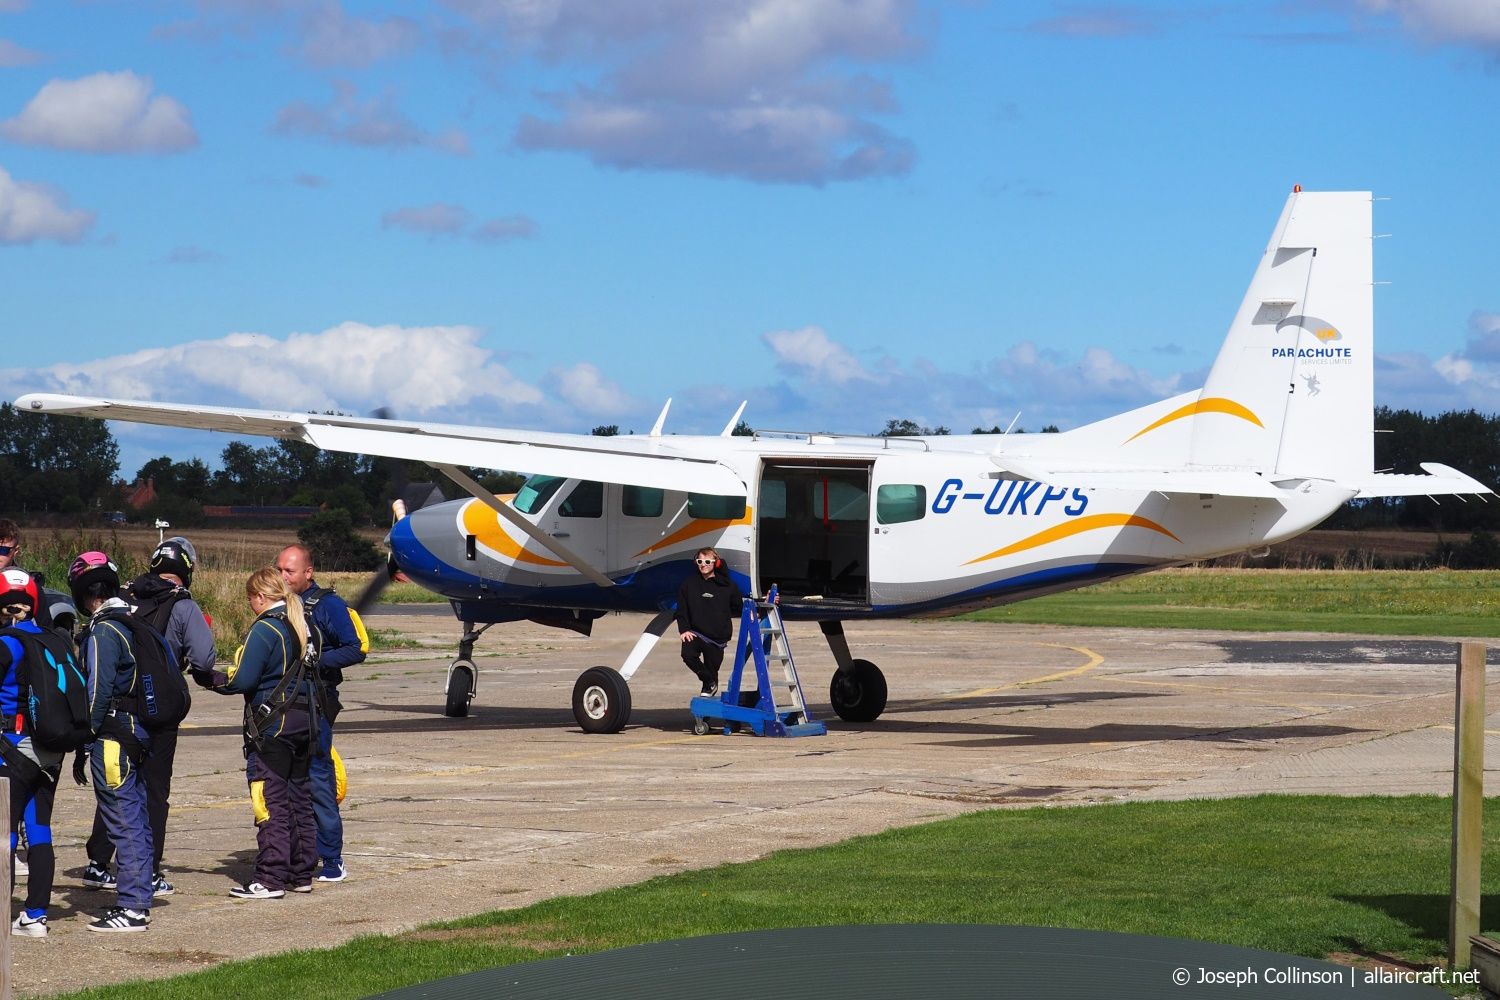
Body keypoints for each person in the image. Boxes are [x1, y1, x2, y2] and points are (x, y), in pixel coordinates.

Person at [82, 536, 214, 899]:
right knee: (153, 792)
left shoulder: (124, 595)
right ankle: (148, 870)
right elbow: (203, 660)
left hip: (118, 709)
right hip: (158, 712)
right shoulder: (183, 604)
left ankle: (97, 863)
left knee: (116, 786)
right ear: (188, 568)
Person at [193, 568, 316, 898]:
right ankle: (301, 872)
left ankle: (271, 877)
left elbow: (242, 680)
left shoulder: (265, 629)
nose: (250, 605)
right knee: (298, 802)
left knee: (269, 803)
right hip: (304, 726)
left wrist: (211, 679)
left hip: (272, 729)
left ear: (260, 598)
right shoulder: (299, 625)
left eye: (250, 599)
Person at [70, 551, 153, 932]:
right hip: (138, 733)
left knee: (123, 821)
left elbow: (96, 694)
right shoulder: (133, 621)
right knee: (136, 817)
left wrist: (82, 737)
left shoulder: (104, 629)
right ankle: (139, 896)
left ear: (86, 595)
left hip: (113, 739)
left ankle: (133, 906)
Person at [275, 545, 365, 884]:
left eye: (290, 571)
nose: (284, 576)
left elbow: (355, 648)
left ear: (308, 573)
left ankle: (332, 858)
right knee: (284, 782)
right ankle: (297, 853)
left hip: (316, 705)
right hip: (284, 705)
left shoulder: (327, 605)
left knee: (318, 778)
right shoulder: (280, 606)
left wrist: (316, 662)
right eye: (280, 569)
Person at [0, 569, 66, 937]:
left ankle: (0, 911)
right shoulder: (54, 640)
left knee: (4, 835)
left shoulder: (6, 643)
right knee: (39, 829)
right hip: (50, 751)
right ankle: (36, 915)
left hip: (10, 751)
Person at [676, 547, 744, 697]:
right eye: (700, 561)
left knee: (712, 672)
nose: (703, 565)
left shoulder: (728, 586)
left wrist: (763, 604)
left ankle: (705, 716)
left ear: (716, 563)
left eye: (707, 561)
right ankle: (708, 681)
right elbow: (682, 610)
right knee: (688, 655)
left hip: (716, 638)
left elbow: (741, 607)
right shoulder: (688, 584)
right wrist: (684, 629)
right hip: (695, 633)